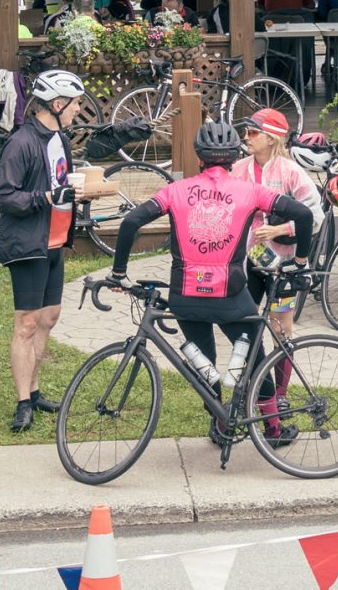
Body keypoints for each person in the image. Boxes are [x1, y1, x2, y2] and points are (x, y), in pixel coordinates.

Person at [98, 122, 317, 440]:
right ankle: (272, 428)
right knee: (255, 359)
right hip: (231, 296)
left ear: (199, 158)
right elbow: (304, 214)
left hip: (185, 295)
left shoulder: (176, 190)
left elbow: (132, 220)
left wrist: (119, 273)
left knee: (205, 362)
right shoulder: (251, 191)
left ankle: (221, 423)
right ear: (232, 159)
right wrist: (300, 264)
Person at [0, 70, 91, 432]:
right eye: (75, 103)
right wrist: (47, 197)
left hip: (53, 240)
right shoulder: (22, 143)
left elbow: (59, 181)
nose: (78, 109)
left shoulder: (58, 139)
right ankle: (21, 403)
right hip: (28, 243)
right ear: (57, 104)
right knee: (27, 323)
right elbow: (2, 197)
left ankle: (33, 391)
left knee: (49, 318)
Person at [232, 110, 323, 348]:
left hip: (284, 264)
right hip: (249, 261)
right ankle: (255, 382)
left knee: (281, 327)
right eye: (246, 132)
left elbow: (315, 216)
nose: (246, 137)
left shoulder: (290, 171)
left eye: (253, 132)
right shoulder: (239, 169)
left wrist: (278, 229)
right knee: (245, 323)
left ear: (271, 138)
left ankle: (281, 387)